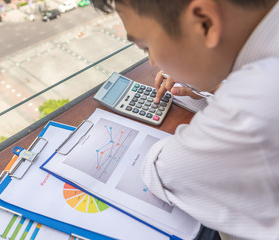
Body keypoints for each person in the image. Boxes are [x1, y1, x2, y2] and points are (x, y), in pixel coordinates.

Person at [92, 0, 279, 239]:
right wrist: (217, 85)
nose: (152, 62)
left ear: (204, 21)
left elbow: (162, 171)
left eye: (146, 46)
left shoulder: (252, 108)